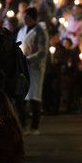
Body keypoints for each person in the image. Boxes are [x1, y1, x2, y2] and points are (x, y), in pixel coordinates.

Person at [16, 7, 49, 135]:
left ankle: (35, 126)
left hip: (35, 68)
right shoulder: (22, 30)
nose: (24, 19)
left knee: (35, 97)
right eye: (23, 17)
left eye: (27, 17)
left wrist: (27, 59)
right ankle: (22, 124)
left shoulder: (40, 32)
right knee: (22, 96)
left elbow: (42, 51)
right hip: (23, 68)